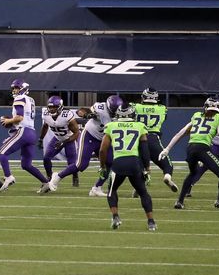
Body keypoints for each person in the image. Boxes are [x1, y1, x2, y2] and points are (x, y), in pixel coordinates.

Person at [160, 97, 219, 211]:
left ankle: (180, 201)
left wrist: (167, 148)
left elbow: (181, 133)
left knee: (192, 173)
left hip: (190, 148)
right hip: (203, 148)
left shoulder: (197, 116)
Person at [43, 95, 124, 196]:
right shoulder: (100, 108)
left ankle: (97, 188)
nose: (114, 113)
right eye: (112, 110)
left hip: (104, 139)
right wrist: (87, 115)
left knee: (110, 163)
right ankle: (57, 177)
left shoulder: (120, 113)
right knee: (81, 165)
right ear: (108, 106)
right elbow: (81, 111)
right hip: (89, 136)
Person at [99, 103, 156, 231]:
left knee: (112, 191)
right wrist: (147, 167)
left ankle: (115, 217)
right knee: (143, 193)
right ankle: (151, 221)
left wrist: (102, 166)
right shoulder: (139, 126)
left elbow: (103, 150)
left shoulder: (111, 126)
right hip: (134, 163)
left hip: (118, 162)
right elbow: (145, 149)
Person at [0, 79, 49, 193]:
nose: (14, 90)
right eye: (14, 88)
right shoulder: (30, 99)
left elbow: (19, 117)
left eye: (16, 88)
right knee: (26, 164)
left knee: (2, 153)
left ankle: (8, 176)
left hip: (23, 131)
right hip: (31, 132)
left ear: (23, 89)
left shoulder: (20, 98)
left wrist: (7, 121)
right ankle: (46, 183)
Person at [134, 88, 178, 193]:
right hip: (153, 138)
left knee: (141, 165)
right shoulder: (162, 108)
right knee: (167, 165)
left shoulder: (135, 107)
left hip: (139, 139)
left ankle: (139, 188)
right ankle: (167, 176)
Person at [38, 95, 79, 184]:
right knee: (46, 158)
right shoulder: (46, 114)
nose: (52, 109)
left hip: (69, 139)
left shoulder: (66, 115)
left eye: (55, 107)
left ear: (60, 107)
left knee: (72, 163)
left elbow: (76, 133)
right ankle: (49, 176)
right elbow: (45, 126)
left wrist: (64, 142)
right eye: (50, 107)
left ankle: (75, 177)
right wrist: (40, 139)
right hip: (57, 138)